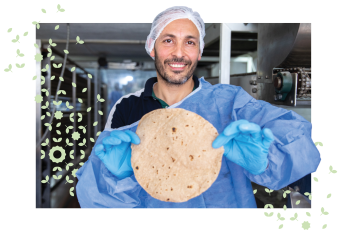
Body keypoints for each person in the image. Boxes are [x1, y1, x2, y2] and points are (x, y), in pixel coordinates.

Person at [76, 6, 320, 208]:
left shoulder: (229, 102)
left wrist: (268, 160)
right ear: (152, 47)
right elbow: (94, 197)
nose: (179, 53)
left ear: (200, 51)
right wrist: (115, 178)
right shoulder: (127, 108)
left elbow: (302, 142)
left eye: (189, 42)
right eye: (168, 40)